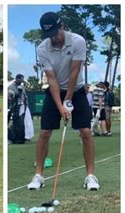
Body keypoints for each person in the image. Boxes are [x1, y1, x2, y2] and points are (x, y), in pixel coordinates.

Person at [27, 12, 99, 191]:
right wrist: (61, 106)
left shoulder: (78, 41)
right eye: (48, 35)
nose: (53, 38)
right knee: (44, 133)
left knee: (85, 132)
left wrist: (68, 100)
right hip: (54, 91)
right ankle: (39, 175)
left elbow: (74, 72)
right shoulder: (42, 48)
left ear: (62, 26)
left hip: (78, 91)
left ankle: (90, 175)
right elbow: (51, 79)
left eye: (54, 33)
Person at [8, 74, 29, 144]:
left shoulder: (22, 87)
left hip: (22, 107)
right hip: (15, 108)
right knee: (16, 123)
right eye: (21, 79)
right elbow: (10, 97)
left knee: (21, 123)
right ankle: (14, 138)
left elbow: (25, 96)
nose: (22, 81)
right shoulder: (11, 87)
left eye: (22, 79)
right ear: (17, 79)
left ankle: (21, 137)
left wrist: (26, 104)